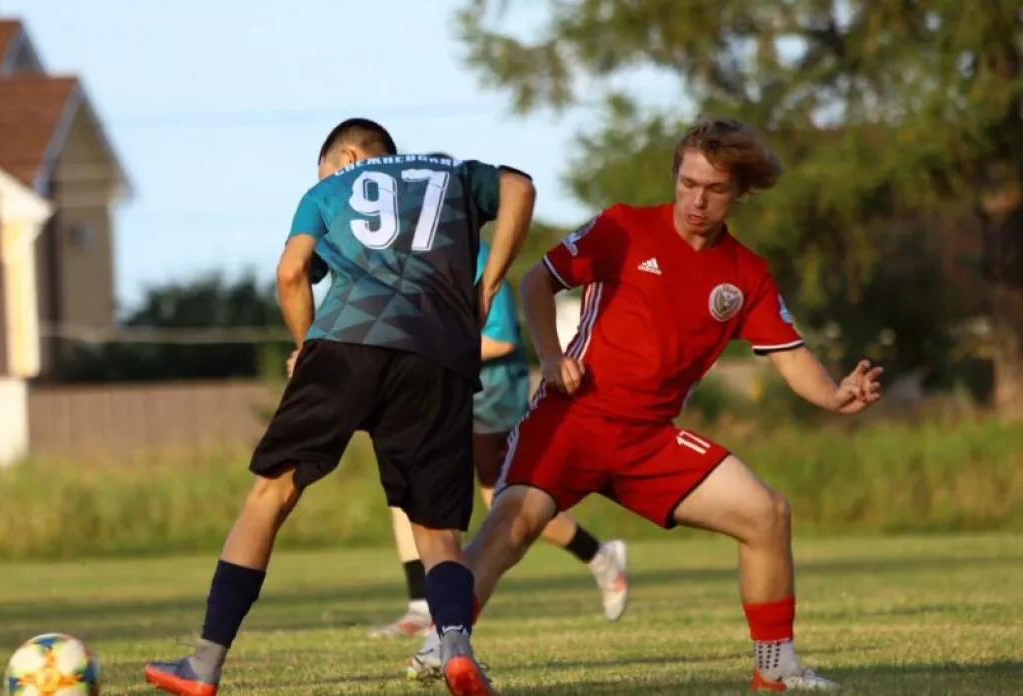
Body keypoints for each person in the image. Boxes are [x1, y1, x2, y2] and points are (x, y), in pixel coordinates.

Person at [404, 117, 881, 692]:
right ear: (675, 175)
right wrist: (551, 356)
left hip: (649, 438)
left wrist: (833, 394)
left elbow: (790, 354)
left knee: (767, 514)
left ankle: (776, 668)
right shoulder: (623, 226)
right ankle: (443, 645)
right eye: (688, 183)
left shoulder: (745, 275)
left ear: (739, 192)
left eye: (714, 189)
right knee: (512, 525)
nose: (697, 200)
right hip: (571, 417)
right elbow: (537, 281)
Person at [144, 119, 536, 696]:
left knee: (271, 494)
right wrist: (488, 286)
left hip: (348, 341)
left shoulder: (329, 190)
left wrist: (306, 348)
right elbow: (520, 187)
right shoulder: (451, 175)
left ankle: (203, 665)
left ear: (348, 157)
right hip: (437, 353)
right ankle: (456, 648)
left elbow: (291, 273)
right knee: (437, 530)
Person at [368, 168, 629, 640]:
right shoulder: (412, 259)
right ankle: (422, 605)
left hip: (490, 395)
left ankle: (599, 555)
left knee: (502, 504)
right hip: (443, 392)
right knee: (408, 491)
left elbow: (502, 339)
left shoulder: (476, 256)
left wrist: (428, 350)